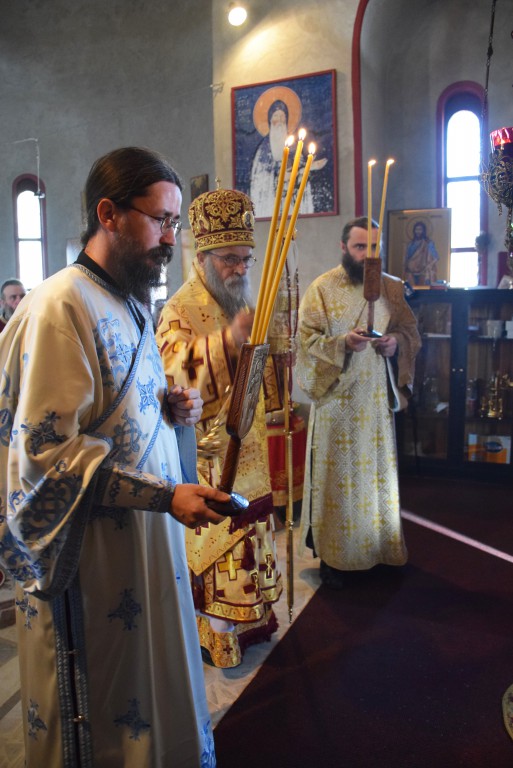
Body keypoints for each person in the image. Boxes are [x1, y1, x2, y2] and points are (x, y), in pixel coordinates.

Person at [0, 146, 232, 767]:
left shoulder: (129, 300)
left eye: (175, 223)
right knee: (109, 709)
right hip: (93, 557)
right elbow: (46, 452)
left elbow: (118, 411)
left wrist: (171, 409)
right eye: (160, 220)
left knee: (152, 685)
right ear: (109, 214)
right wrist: (165, 495)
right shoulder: (58, 307)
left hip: (148, 543)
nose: (170, 239)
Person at [156, 187, 283, 668]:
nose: (240, 269)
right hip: (209, 459)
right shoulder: (179, 309)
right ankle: (219, 640)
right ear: (202, 257)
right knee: (221, 552)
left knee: (252, 545)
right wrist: (228, 342)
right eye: (230, 259)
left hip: (249, 452)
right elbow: (174, 381)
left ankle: (253, 623)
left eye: (246, 259)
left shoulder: (238, 301)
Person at [295, 216, 421, 589]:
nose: (368, 255)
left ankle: (380, 550)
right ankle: (335, 559)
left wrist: (395, 343)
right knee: (339, 483)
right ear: (344, 248)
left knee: (376, 480)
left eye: (374, 247)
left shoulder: (391, 288)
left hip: (375, 403)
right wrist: (342, 343)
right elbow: (305, 342)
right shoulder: (322, 288)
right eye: (360, 246)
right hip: (336, 402)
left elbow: (409, 332)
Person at [249, 97, 326, 218]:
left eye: (282, 116)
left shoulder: (294, 145)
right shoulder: (264, 148)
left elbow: (299, 171)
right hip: (271, 199)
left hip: (291, 199)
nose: (280, 120)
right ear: (270, 119)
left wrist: (308, 168)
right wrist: (279, 176)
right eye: (276, 116)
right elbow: (260, 177)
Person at [404, 220, 440, 286]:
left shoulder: (428, 243)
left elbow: (436, 257)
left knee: (422, 289)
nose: (418, 231)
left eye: (420, 229)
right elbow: (407, 258)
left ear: (423, 231)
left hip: (423, 272)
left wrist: (429, 265)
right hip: (411, 272)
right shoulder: (410, 244)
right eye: (416, 229)